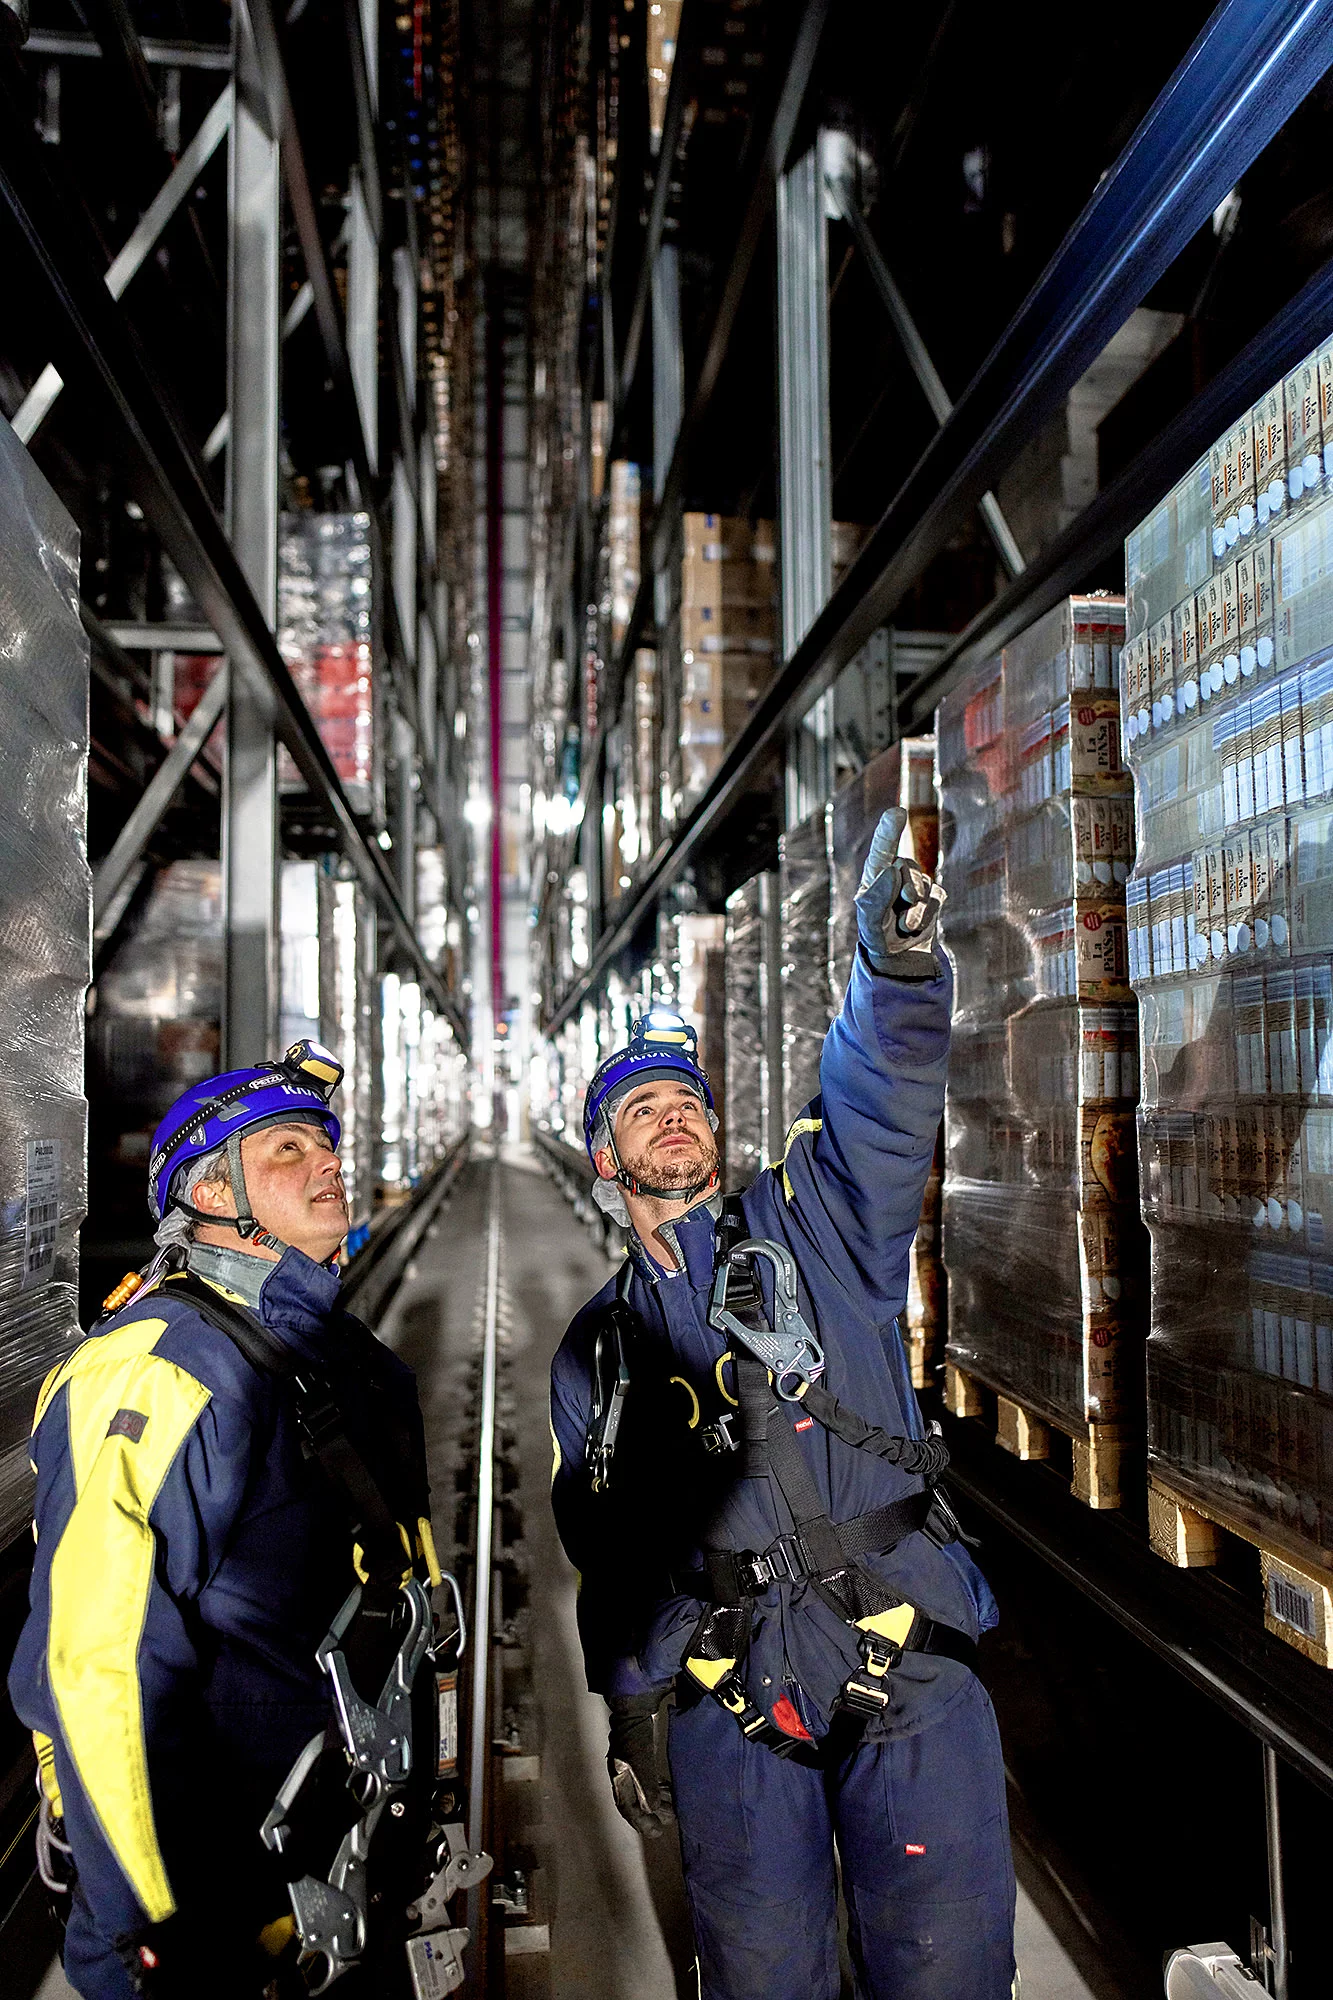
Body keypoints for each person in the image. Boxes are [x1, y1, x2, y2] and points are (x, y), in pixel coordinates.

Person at [549, 809, 1016, 2000]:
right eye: (638, 1107)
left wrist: (896, 973)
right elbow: (611, 1549)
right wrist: (632, 1701)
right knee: (760, 1973)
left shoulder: (815, 1221)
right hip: (730, 1688)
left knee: (947, 1964)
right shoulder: (598, 1348)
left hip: (905, 1661)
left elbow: (878, 1100)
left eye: (685, 1097)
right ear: (606, 1162)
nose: (670, 1113)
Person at [9, 1040, 441, 2000]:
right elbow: (100, 1667)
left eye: (326, 1143)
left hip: (333, 1856)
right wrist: (155, 1927)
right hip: (211, 1904)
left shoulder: (347, 1363)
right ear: (209, 1197)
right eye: (286, 1147)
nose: (329, 1161)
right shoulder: (154, 1374)